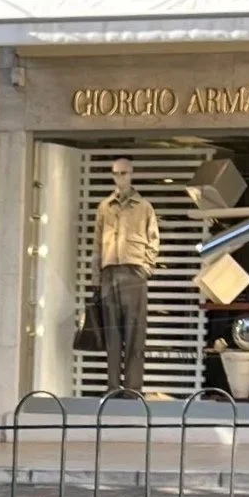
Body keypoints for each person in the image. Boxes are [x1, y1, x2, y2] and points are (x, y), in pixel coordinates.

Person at [93, 157, 159, 399]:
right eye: (115, 173)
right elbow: (97, 244)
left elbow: (153, 240)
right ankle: (112, 387)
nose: (119, 178)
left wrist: (146, 268)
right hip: (110, 272)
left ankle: (132, 388)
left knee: (134, 333)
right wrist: (96, 278)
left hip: (133, 272)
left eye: (123, 173)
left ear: (131, 174)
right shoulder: (105, 207)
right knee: (112, 333)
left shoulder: (144, 207)